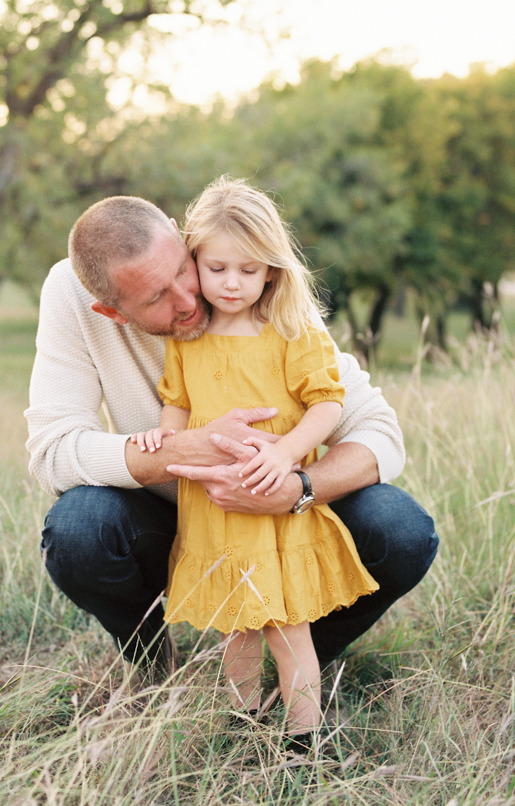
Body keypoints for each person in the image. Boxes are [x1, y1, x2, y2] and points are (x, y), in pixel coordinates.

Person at [25, 190, 438, 687]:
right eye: (158, 298)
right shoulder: (72, 296)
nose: (189, 298)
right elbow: (52, 450)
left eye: (183, 270)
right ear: (112, 312)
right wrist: (178, 451)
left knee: (401, 529)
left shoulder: (244, 275)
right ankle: (158, 667)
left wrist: (297, 488)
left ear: (182, 237)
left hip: (285, 515)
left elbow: (380, 433)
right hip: (174, 516)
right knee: (77, 531)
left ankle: (292, 667)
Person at [131, 177, 379, 744]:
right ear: (194, 261)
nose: (232, 283)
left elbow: (326, 403)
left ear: (272, 268)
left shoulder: (292, 330)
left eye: (248, 269)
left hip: (274, 505)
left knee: (289, 631)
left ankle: (303, 740)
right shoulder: (188, 339)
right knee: (236, 629)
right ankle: (242, 725)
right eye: (217, 268)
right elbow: (178, 401)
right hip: (215, 510)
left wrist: (288, 454)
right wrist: (162, 442)